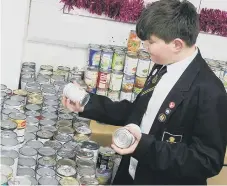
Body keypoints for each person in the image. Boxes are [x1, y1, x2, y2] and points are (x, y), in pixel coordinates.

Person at [62, 0, 227, 184]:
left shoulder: (211, 91)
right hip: (130, 174)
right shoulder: (162, 67)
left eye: (151, 42)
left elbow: (207, 161)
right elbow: (138, 112)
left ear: (177, 45)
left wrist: (145, 147)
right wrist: (87, 103)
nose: (144, 47)